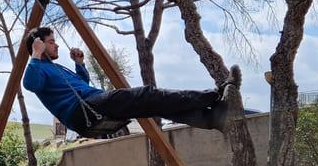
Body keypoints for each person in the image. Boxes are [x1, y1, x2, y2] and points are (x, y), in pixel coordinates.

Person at [22, 26, 240, 137]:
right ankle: (215, 94)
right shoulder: (38, 67)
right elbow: (30, 85)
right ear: (39, 45)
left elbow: (81, 83)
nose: (56, 45)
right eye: (51, 42)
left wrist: (79, 64)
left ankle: (212, 118)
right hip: (83, 112)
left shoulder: (54, 67)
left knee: (152, 105)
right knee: (147, 95)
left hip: (90, 104)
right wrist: (34, 55)